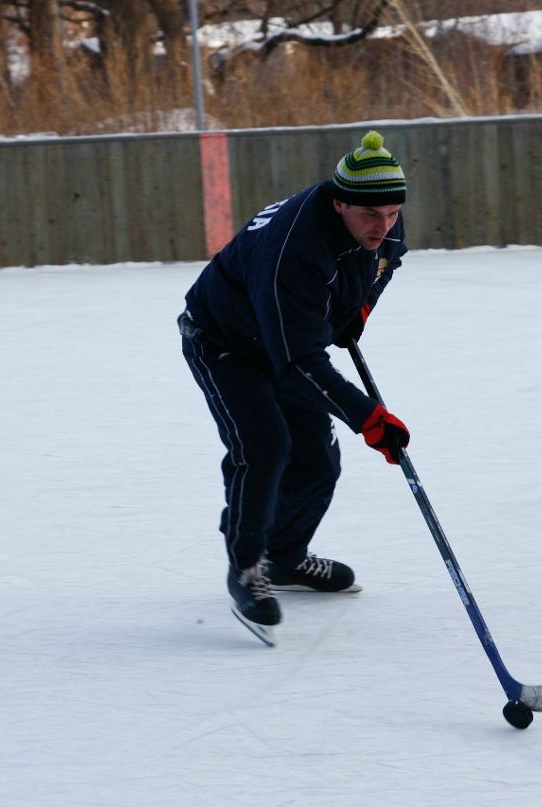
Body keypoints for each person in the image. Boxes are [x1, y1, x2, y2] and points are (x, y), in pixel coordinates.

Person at [178, 130, 412, 644]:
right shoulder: (294, 249)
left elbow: (384, 264)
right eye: (372, 215)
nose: (384, 225)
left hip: (282, 339)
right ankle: (245, 568)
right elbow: (300, 361)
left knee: (316, 459)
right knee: (263, 448)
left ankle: (285, 557)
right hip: (225, 340)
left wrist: (358, 311)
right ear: (339, 202)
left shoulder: (382, 220)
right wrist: (368, 418)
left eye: (393, 213)